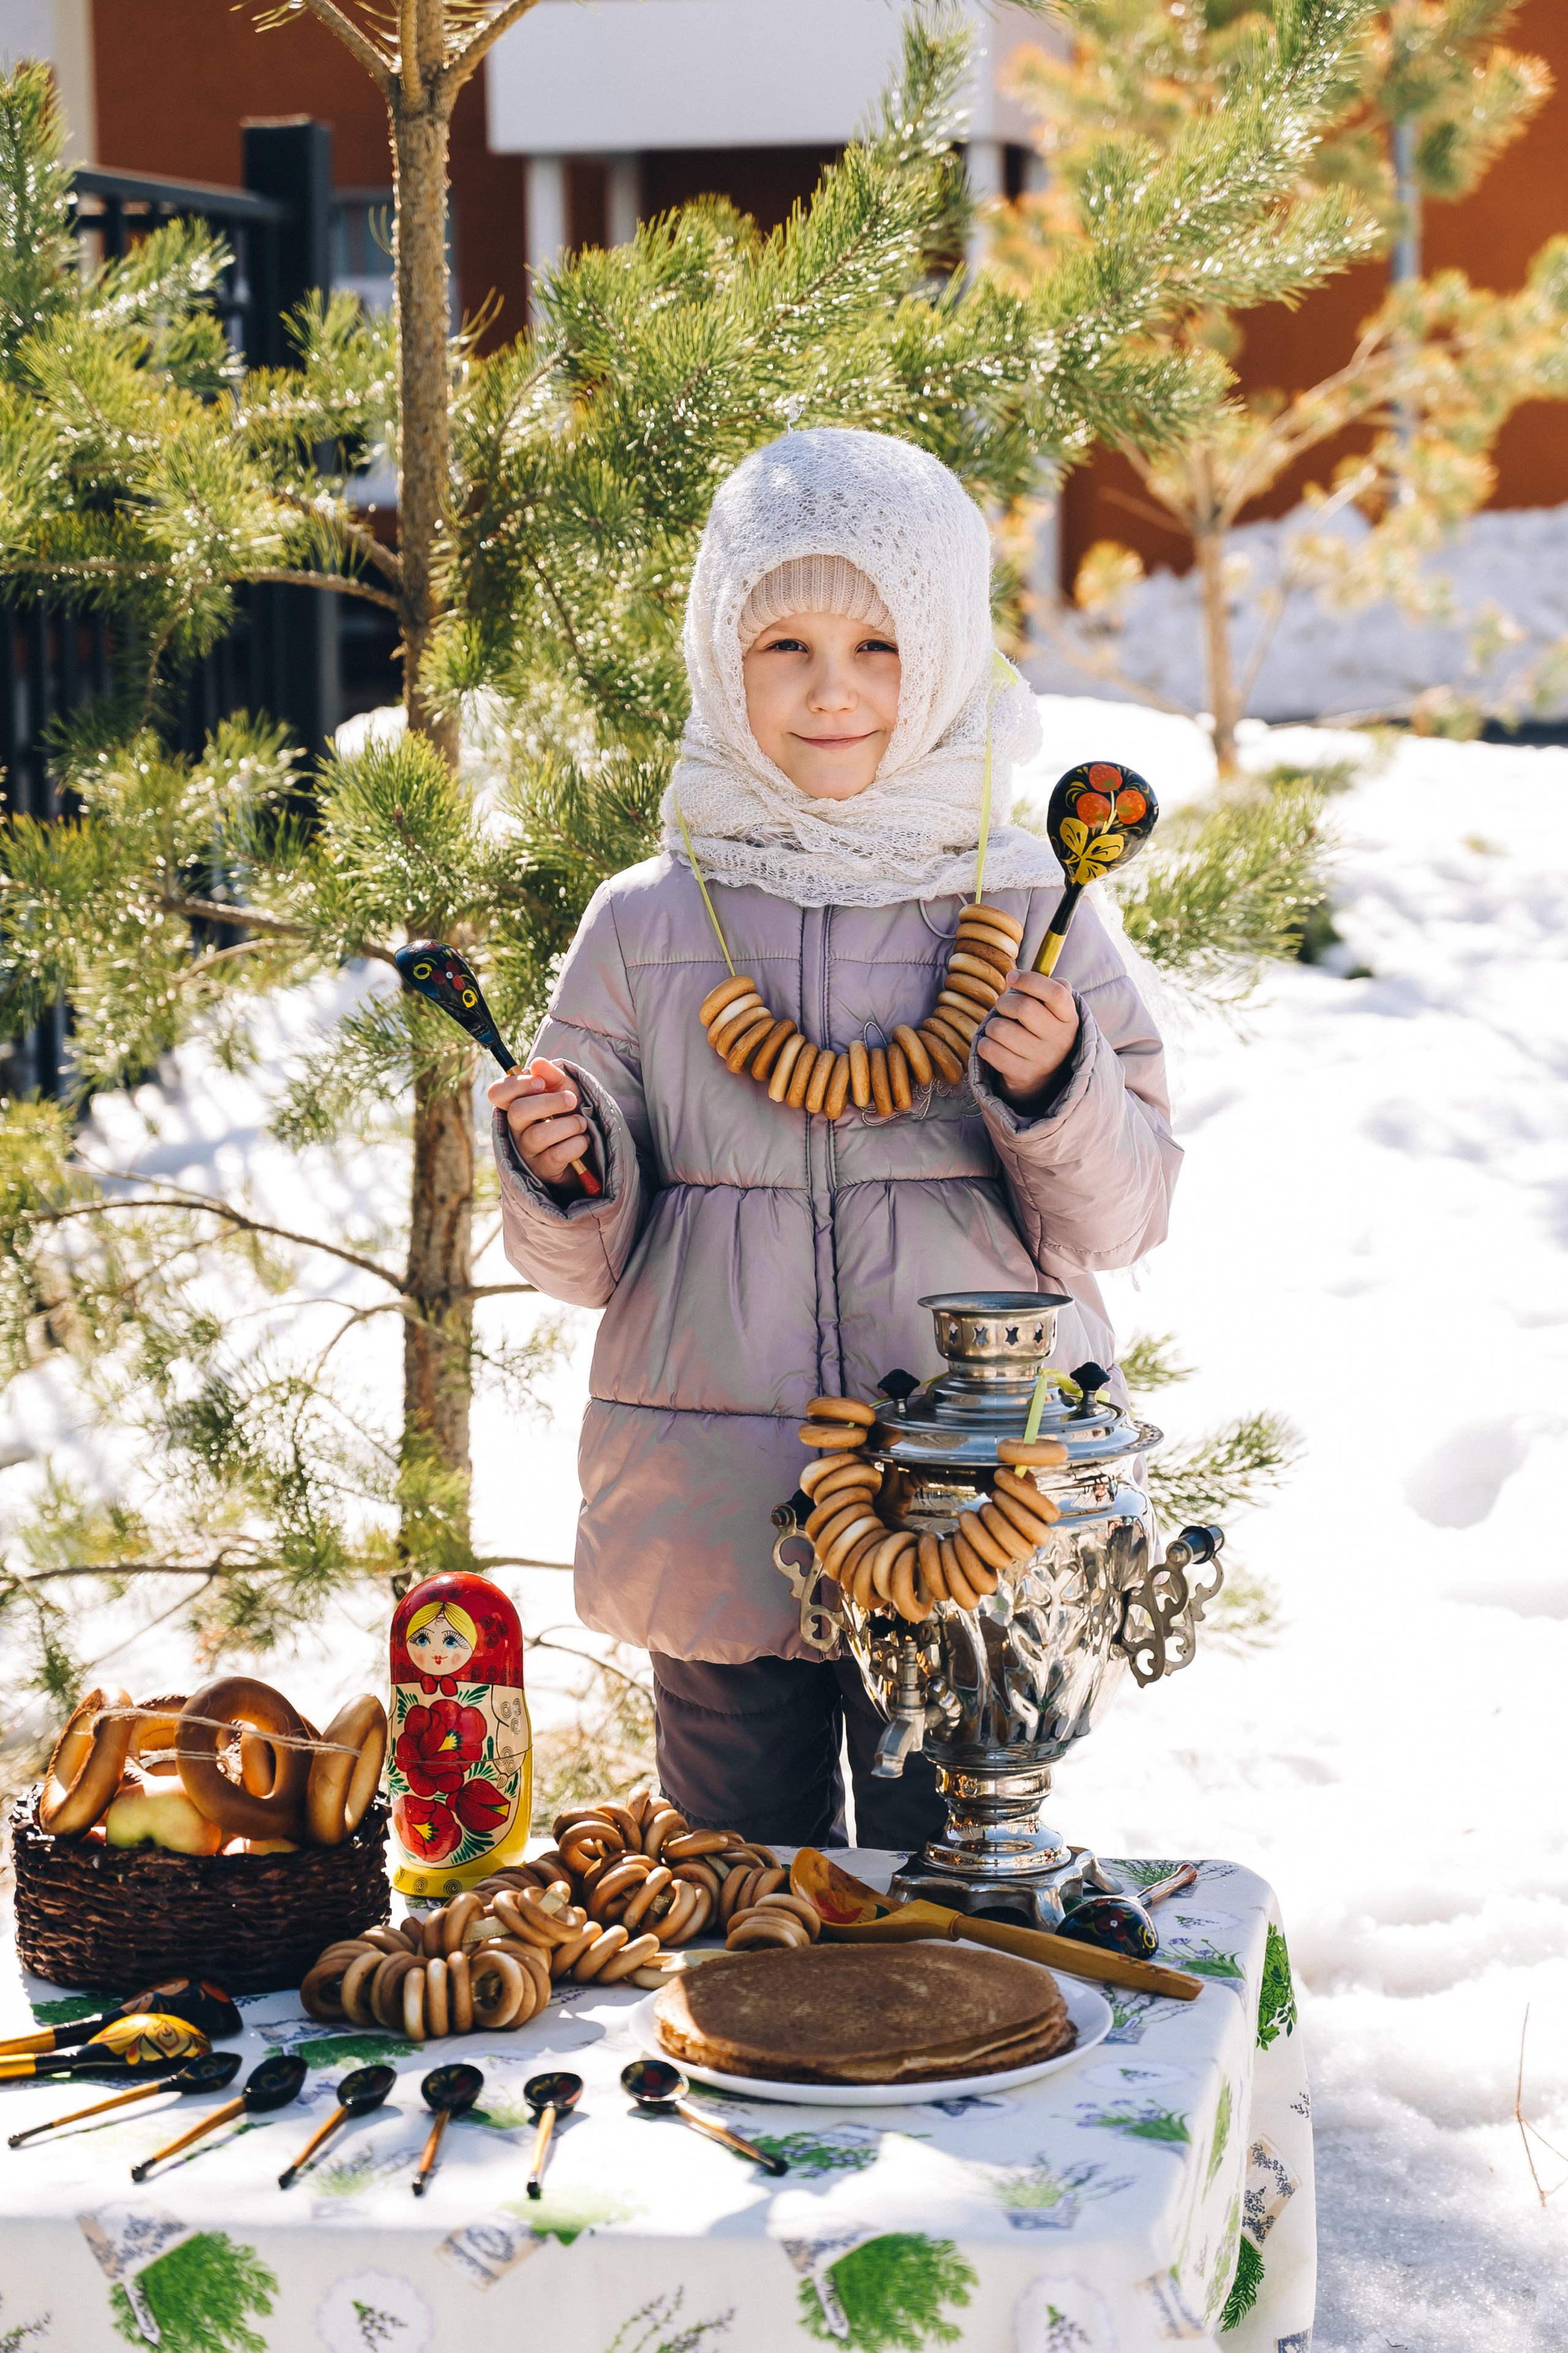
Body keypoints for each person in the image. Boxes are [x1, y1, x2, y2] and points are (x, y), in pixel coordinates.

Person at [489, 427, 1178, 1849]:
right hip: (713, 1507)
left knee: (956, 1893)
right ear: (714, 655)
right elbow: (580, 1261)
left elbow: (1124, 1213)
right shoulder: (648, 921)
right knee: (741, 1895)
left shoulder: (1025, 901)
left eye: (876, 645)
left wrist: (1059, 1090)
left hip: (969, 1511)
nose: (830, 691)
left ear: (940, 652)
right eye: (782, 644)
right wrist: (567, 1165)